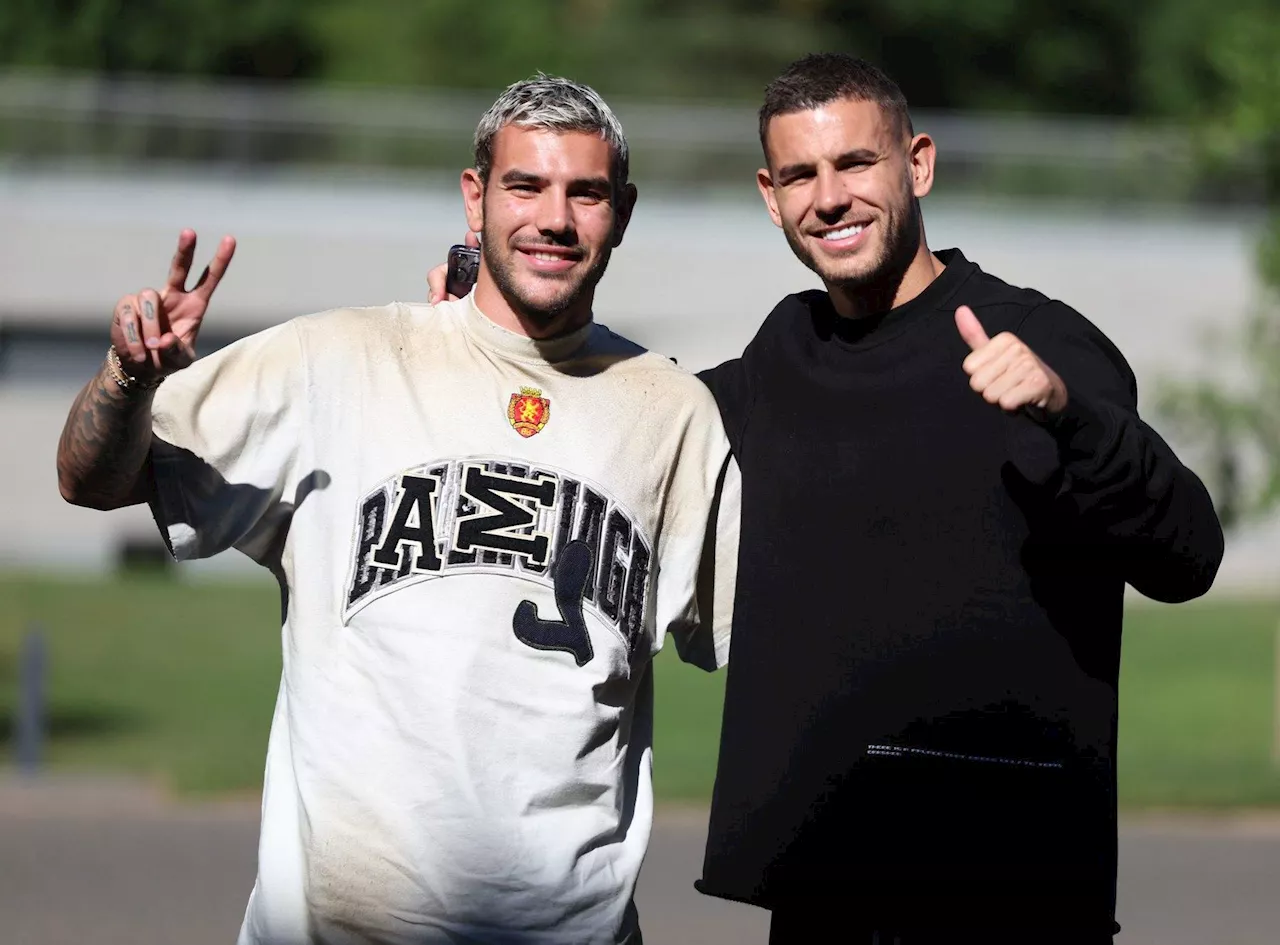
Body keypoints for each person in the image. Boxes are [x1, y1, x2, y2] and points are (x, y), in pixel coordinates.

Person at [428, 54, 1224, 945]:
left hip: (1009, 894)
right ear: (771, 196)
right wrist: (485, 344)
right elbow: (627, 417)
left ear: (917, 164)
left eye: (855, 164)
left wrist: (1067, 415)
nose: (830, 197)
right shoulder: (781, 359)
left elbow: (1187, 554)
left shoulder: (1039, 340)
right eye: (802, 174)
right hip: (824, 898)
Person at [56, 74, 739, 945]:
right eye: (525, 185)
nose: (554, 218)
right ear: (474, 197)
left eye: (586, 192)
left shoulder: (672, 412)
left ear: (623, 212)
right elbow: (92, 478)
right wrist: (129, 377)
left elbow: (759, 636)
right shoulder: (337, 359)